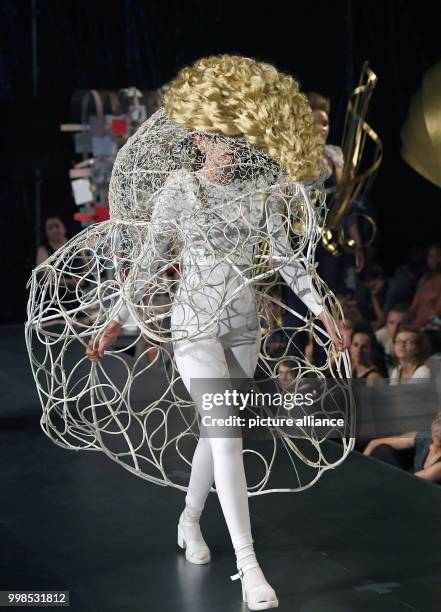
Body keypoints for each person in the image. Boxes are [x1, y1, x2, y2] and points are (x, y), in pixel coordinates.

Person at [27, 55, 350, 611]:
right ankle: (250, 568)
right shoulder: (178, 191)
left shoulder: (264, 187)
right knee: (225, 435)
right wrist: (113, 324)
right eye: (214, 134)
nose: (225, 142)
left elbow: (288, 261)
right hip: (193, 327)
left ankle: (189, 520)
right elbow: (150, 265)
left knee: (214, 436)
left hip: (245, 328)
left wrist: (324, 312)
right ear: (197, 137)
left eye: (231, 133)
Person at [363, 410, 441, 483]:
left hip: (421, 490)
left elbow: (409, 480)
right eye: (438, 422)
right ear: (432, 422)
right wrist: (361, 466)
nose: (439, 431)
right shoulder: (424, 438)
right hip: (408, 482)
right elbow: (374, 443)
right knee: (382, 450)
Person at [375, 304, 409, 375]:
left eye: (401, 324)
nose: (396, 327)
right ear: (386, 324)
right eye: (391, 322)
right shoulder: (380, 337)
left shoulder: (412, 342)